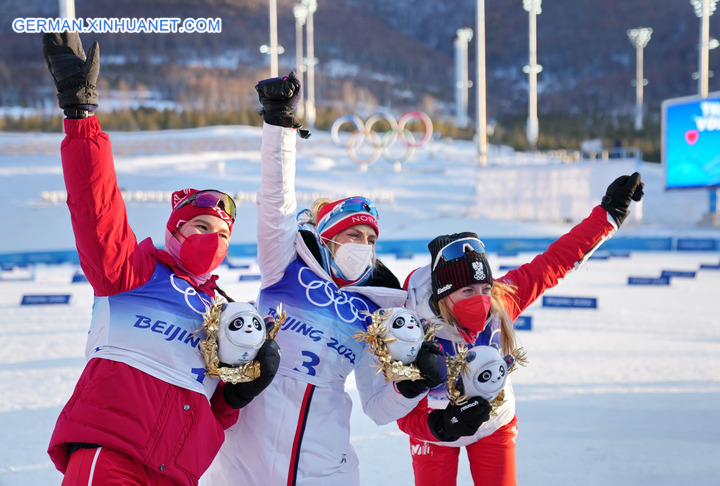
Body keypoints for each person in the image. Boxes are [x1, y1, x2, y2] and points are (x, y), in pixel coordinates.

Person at [42, 32, 280, 485]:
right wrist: (81, 115)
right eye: (202, 227)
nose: (214, 239)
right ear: (174, 232)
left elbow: (212, 409)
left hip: (177, 471)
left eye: (224, 234)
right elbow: (96, 209)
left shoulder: (221, 313)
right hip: (112, 453)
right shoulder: (130, 273)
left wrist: (237, 395)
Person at [201, 73, 445, 485]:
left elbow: (376, 405)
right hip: (248, 442)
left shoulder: (379, 308)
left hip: (322, 455)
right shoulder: (286, 264)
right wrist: (278, 126)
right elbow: (275, 201)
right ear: (329, 238)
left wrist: (413, 383)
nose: (363, 246)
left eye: (370, 239)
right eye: (354, 235)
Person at [397, 173, 645, 486]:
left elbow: (556, 261)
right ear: (444, 295)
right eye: (468, 292)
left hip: (494, 422)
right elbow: (401, 409)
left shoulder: (502, 299)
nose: (481, 300)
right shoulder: (412, 326)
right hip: (434, 428)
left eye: (484, 288)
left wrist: (608, 215)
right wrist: (442, 426)